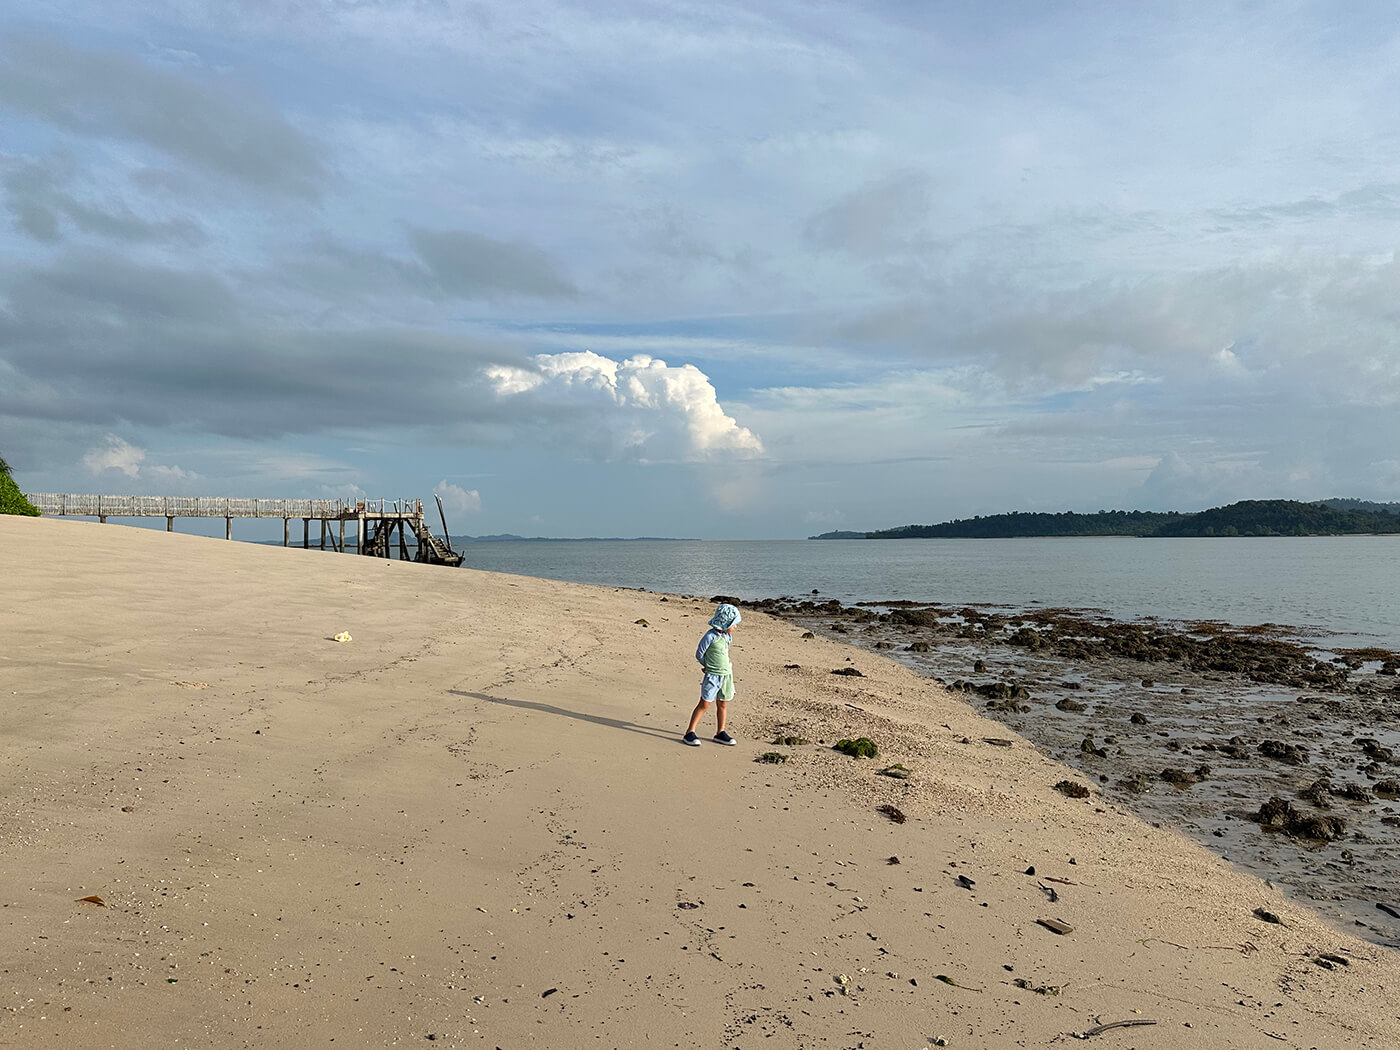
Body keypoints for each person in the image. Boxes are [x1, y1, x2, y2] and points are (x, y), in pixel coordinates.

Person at [683, 603, 741, 746]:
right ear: (725, 623)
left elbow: (724, 654)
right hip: (713, 675)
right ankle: (690, 732)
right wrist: (707, 665)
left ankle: (720, 732)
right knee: (705, 703)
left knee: (723, 703)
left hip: (727, 675)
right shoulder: (710, 636)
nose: (735, 627)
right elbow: (699, 654)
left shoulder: (727, 637)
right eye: (734, 624)